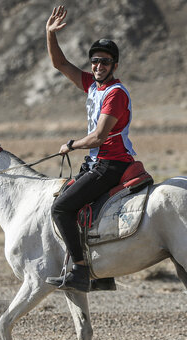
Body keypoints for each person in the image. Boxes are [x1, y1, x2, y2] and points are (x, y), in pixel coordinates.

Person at [44, 5, 137, 293]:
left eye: (105, 62)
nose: (98, 66)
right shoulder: (92, 86)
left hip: (111, 163)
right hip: (97, 162)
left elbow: (98, 137)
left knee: (60, 209)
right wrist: (50, 35)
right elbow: (60, 64)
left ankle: (81, 271)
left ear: (115, 65)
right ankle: (102, 272)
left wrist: (71, 145)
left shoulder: (115, 94)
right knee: (76, 205)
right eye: (95, 60)